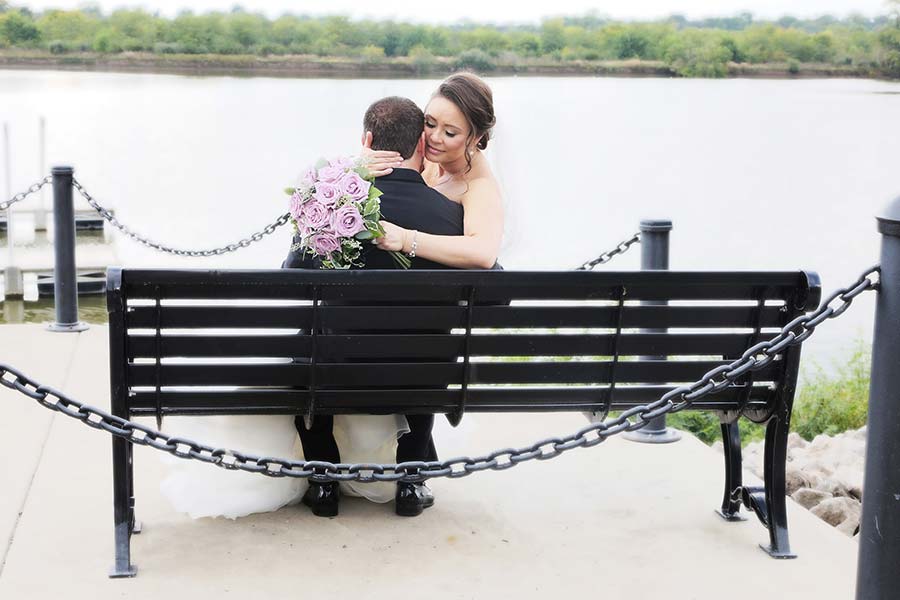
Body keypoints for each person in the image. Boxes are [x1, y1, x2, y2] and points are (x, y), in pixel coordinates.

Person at [283, 95, 468, 518]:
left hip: (335, 375)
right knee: (429, 349)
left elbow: (291, 285)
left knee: (309, 342)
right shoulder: (450, 216)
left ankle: (324, 479)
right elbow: (496, 291)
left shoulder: (329, 205)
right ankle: (411, 479)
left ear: (366, 140)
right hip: (420, 378)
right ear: (422, 146)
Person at [365, 73, 504, 271]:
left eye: (450, 133)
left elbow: (484, 253)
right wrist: (362, 162)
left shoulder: (479, 186)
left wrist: (406, 239)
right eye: (429, 123)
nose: (434, 137)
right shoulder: (428, 159)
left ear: (475, 138)